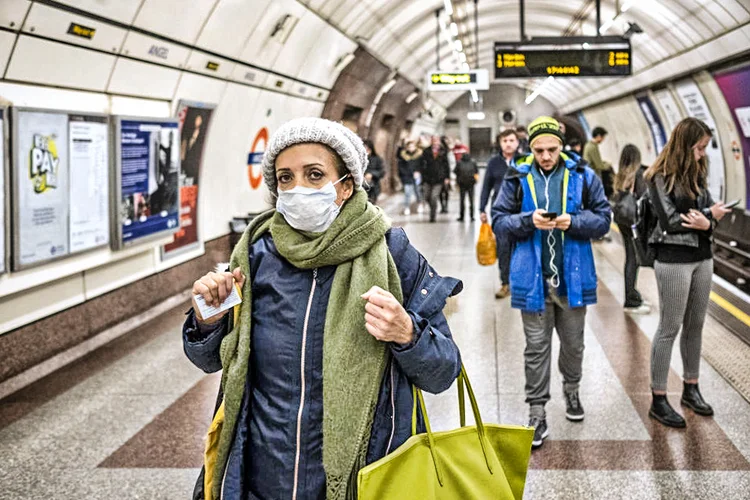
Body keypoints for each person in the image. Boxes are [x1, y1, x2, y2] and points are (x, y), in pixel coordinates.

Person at [183, 117, 462, 500]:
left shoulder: (392, 255)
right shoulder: (253, 256)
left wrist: (407, 334)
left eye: (315, 175)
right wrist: (207, 321)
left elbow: (443, 371)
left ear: (346, 186)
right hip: (263, 474)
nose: (298, 188)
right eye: (285, 178)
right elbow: (211, 358)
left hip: (362, 473)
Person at [492, 116, 610, 449]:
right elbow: (500, 221)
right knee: (535, 350)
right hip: (532, 278)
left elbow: (604, 218)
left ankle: (572, 392)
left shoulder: (583, 176)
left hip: (572, 278)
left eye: (552, 149)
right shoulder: (516, 178)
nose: (545, 156)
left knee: (574, 346)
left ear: (562, 146)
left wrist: (574, 221)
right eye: (540, 150)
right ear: (530, 147)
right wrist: (527, 221)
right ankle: (537, 411)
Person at [644, 117, 731, 428]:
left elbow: (701, 214)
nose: (702, 154)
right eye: (699, 147)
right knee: (669, 326)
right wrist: (708, 217)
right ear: (684, 145)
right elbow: (668, 221)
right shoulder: (658, 176)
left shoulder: (698, 172)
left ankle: (691, 388)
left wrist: (708, 220)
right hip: (672, 259)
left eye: (705, 148)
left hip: (702, 256)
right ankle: (658, 398)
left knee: (695, 325)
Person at [480, 129, 520, 299]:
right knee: (503, 249)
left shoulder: (525, 161)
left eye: (511, 140)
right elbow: (486, 187)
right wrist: (482, 209)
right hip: (500, 213)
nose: (508, 144)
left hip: (522, 212)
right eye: (505, 141)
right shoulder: (494, 163)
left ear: (517, 142)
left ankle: (520, 281)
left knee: (521, 248)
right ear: (500, 143)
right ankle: (505, 283)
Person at [612, 145, 651, 314]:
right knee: (633, 259)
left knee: (630, 256)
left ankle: (632, 294)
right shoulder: (638, 175)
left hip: (622, 219)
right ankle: (630, 299)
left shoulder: (620, 175)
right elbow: (644, 199)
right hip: (633, 220)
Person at [419, 135, 451, 222]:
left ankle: (432, 216)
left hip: (439, 179)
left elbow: (446, 166)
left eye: (437, 141)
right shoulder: (426, 151)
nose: (436, 143)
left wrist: (447, 177)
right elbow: (421, 164)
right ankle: (433, 207)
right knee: (427, 197)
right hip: (427, 178)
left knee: (434, 197)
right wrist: (420, 173)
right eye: (434, 141)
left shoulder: (443, 152)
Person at [583, 127, 614, 199]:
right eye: (603, 138)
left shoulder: (588, 145)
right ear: (599, 136)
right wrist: (609, 165)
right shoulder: (593, 147)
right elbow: (599, 165)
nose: (603, 140)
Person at [398, 140, 423, 215]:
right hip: (407, 177)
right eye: (409, 146)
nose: (411, 148)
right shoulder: (403, 156)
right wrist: (403, 175)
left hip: (417, 177)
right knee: (407, 193)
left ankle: (420, 204)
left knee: (417, 192)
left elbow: (423, 165)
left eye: (412, 146)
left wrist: (418, 172)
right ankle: (406, 207)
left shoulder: (419, 155)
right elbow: (400, 167)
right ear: (407, 148)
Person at [454, 152, 478, 221]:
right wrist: (475, 181)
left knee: (462, 200)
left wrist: (457, 182)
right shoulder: (473, 162)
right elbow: (476, 172)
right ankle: (472, 216)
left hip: (462, 184)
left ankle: (462, 216)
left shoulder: (459, 163)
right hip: (471, 183)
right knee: (471, 200)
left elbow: (456, 172)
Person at [363, 139, 385, 204]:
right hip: (361, 186)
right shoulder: (358, 159)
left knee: (371, 205)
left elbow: (382, 172)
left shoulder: (377, 159)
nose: (366, 151)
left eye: (367, 149)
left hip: (373, 186)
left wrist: (372, 174)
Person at [439, 136, 455, 214]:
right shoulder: (445, 152)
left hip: (445, 174)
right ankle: (444, 206)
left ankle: (444, 206)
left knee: (443, 191)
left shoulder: (447, 152)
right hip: (443, 174)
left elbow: (451, 163)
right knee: (444, 191)